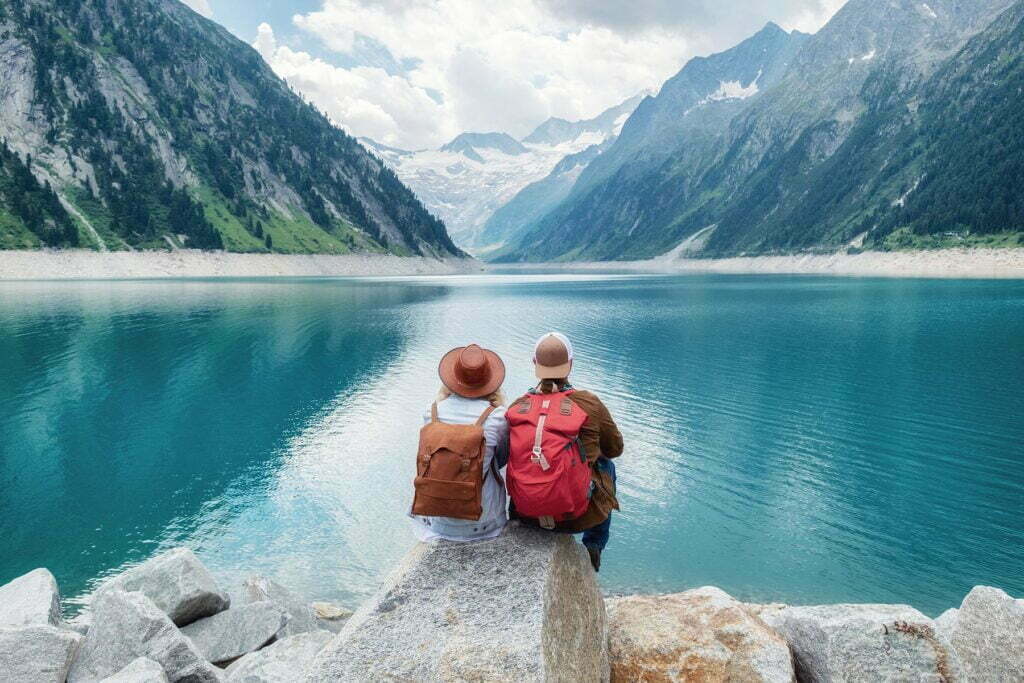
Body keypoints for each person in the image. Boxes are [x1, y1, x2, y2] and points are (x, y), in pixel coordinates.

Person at [504, 332, 623, 571]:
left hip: (526, 513)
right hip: (575, 516)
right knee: (607, 466)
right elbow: (615, 448)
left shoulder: (517, 407)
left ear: (534, 364)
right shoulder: (588, 402)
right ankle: (594, 545)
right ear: (570, 364)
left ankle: (517, 521)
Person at [409, 343, 509, 542]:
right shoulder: (498, 417)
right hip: (484, 523)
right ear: (490, 381)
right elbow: (502, 459)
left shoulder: (432, 413)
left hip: (436, 521)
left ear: (453, 380)